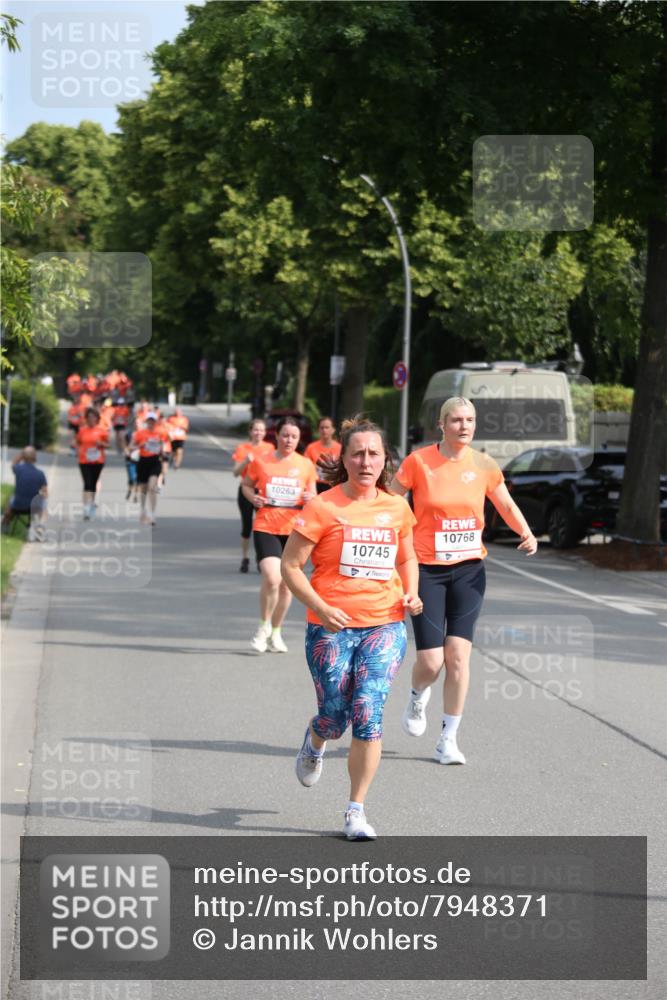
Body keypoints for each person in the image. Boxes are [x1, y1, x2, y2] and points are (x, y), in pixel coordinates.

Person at [281, 417, 422, 840]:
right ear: (343, 458)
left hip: (384, 623)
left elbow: (406, 558)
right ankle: (316, 738)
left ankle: (355, 811)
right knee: (335, 716)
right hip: (331, 627)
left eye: (373, 453)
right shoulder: (323, 507)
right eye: (357, 453)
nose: (365, 461)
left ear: (385, 460)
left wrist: (412, 593)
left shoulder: (397, 508)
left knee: (367, 711)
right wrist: (321, 608)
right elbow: (291, 566)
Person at [389, 397, 538, 765]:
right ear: (442, 425)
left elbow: (504, 504)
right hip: (427, 570)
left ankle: (448, 739)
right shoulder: (419, 462)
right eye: (456, 420)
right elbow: (390, 501)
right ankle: (417, 694)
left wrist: (526, 531)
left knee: (457, 657)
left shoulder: (484, 464)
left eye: (470, 420)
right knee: (431, 661)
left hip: (469, 570)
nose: (464, 426)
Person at [241, 417, 316, 651]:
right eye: (285, 435)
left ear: (298, 439)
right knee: (273, 578)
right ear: (276, 436)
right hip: (266, 526)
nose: (289, 440)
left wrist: (310, 498)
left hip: (294, 531)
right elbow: (246, 484)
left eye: (294, 436)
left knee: (286, 586)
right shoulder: (262, 461)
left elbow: (313, 494)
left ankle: (276, 631)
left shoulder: (306, 464)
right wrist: (253, 497)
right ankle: (263, 626)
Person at [232, 419, 275, 573]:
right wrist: (245, 461)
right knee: (247, 526)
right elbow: (235, 472)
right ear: (250, 432)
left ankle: (261, 557)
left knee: (262, 526)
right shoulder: (243, 448)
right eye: (256, 430)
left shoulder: (270, 448)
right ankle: (245, 558)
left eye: (261, 430)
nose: (258, 433)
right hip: (246, 490)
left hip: (263, 491)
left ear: (265, 433)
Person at [128, 412, 169, 526]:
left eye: (153, 421)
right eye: (149, 421)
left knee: (152, 487)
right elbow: (130, 447)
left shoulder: (160, 433)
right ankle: (143, 509)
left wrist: (163, 451)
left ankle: (152, 513)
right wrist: (139, 446)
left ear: (156, 422)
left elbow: (164, 447)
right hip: (143, 462)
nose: (151, 423)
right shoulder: (139, 433)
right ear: (146, 422)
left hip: (155, 461)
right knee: (143, 488)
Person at [2, 447, 48, 540]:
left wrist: (21, 455)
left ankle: (5, 525)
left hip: (17, 506)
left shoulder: (18, 469)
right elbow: (45, 494)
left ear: (23, 457)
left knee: (12, 498)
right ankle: (40, 527)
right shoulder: (40, 474)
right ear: (35, 458)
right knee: (44, 503)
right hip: (33, 508)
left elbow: (13, 464)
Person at [75, 408, 109, 520]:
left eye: (93, 417)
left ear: (97, 418)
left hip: (98, 460)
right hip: (84, 460)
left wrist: (101, 444)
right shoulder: (82, 430)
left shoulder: (102, 431)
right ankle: (86, 508)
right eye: (89, 417)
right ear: (86, 418)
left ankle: (92, 503)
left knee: (93, 483)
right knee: (87, 483)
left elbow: (108, 445)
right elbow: (77, 442)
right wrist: (77, 449)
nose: (91, 419)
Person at [304, 416, 342, 494]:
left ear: (333, 430)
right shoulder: (311, 448)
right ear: (318, 430)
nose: (324, 430)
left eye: (327, 427)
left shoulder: (340, 448)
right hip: (316, 484)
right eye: (322, 428)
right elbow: (305, 467)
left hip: (334, 485)